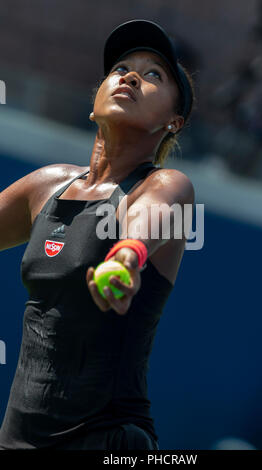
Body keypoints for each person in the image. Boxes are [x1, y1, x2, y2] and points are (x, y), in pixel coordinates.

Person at [0, 19, 195, 450]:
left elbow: (151, 216)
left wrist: (126, 255)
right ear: (94, 104)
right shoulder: (46, 185)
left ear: (173, 123)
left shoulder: (166, 186)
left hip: (109, 442)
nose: (129, 76)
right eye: (120, 69)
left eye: (153, 75)